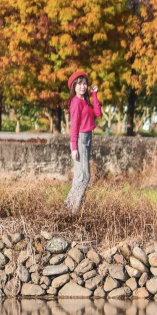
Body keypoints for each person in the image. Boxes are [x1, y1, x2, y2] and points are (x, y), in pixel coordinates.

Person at [65, 71, 102, 213]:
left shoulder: (84, 102)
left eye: (85, 83)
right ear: (74, 86)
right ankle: (73, 209)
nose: (83, 86)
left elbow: (97, 114)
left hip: (87, 137)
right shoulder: (75, 103)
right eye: (79, 84)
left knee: (79, 176)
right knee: (84, 176)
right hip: (80, 139)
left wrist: (94, 95)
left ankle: (68, 207)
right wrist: (74, 147)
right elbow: (73, 126)